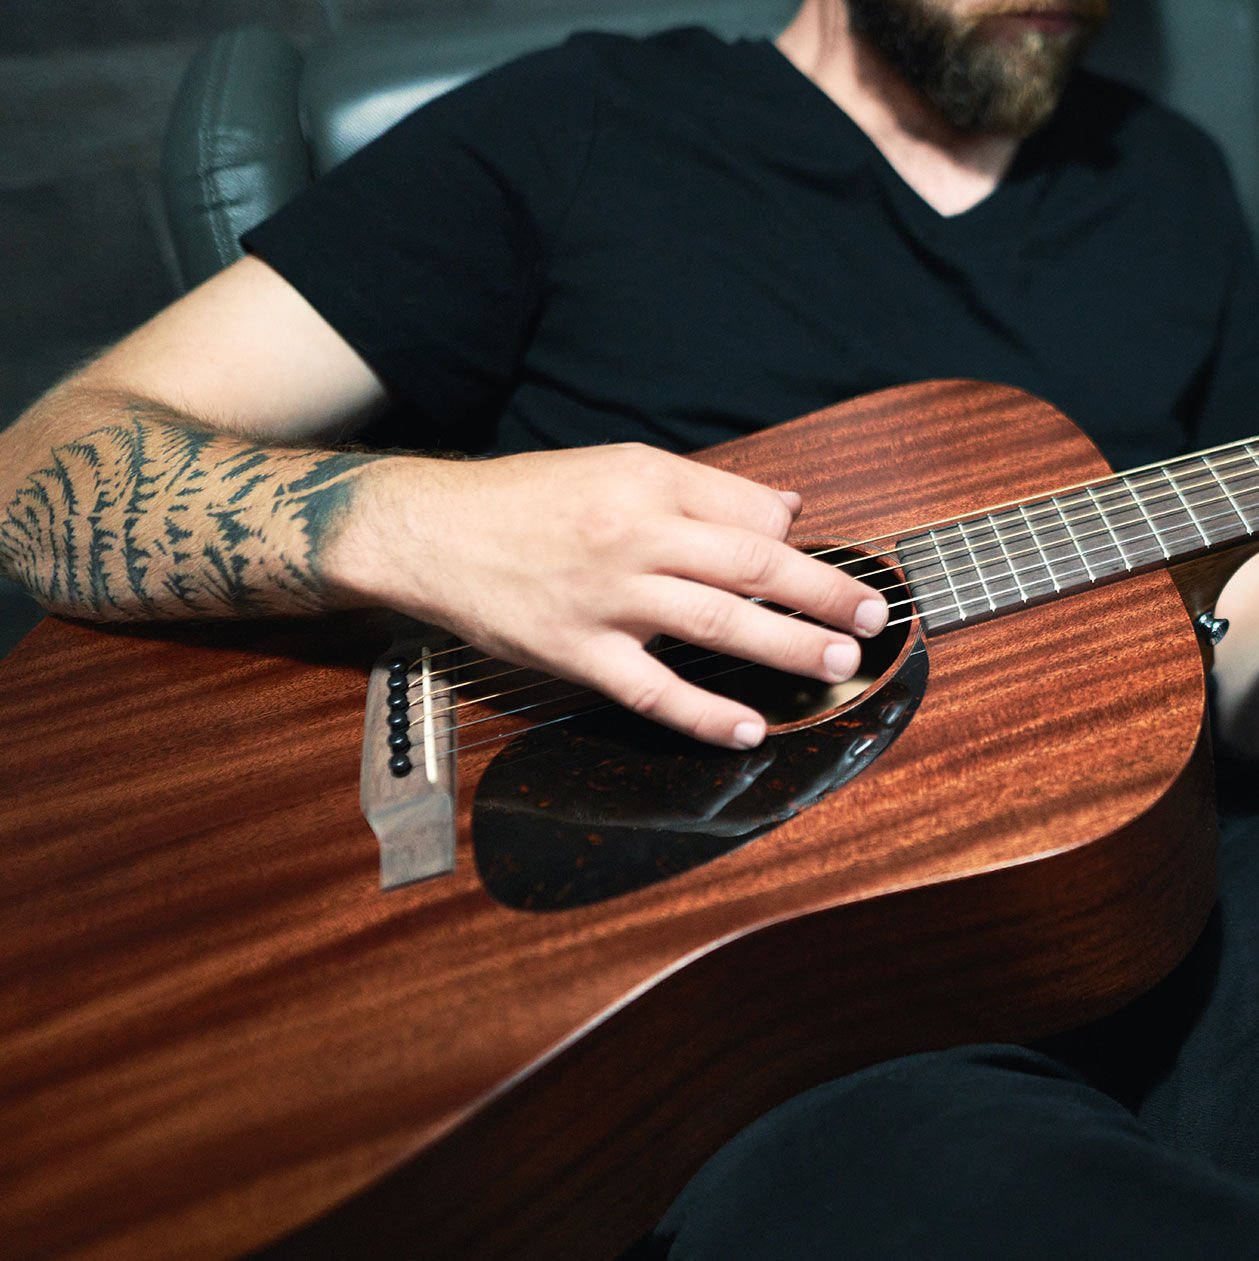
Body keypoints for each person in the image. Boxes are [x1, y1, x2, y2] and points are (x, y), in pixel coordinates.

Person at [3, 0, 1259, 1253]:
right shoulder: (585, 122)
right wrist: (423, 524)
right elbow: (37, 478)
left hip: (1151, 880)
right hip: (764, 1010)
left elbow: (1224, 607)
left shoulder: (1170, 183)